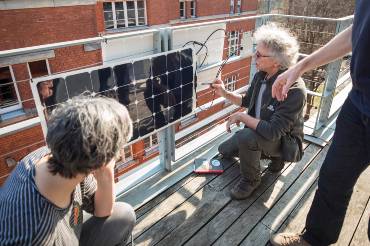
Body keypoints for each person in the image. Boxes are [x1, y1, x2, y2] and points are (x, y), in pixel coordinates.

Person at [270, 1, 370, 245]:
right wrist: (302, 65)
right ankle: (315, 239)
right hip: (359, 103)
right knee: (333, 177)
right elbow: (360, 27)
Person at [0, 95, 136, 246]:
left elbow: (102, 211)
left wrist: (106, 174)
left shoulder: (68, 156)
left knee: (124, 214)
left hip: (69, 234)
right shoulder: (34, 235)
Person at [211, 23, 307, 200]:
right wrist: (224, 92)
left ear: (276, 62)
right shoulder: (261, 75)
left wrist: (242, 117)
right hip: (260, 132)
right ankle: (272, 158)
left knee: (245, 138)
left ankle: (251, 180)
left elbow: (273, 132)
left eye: (259, 54)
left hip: (283, 141)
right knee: (223, 150)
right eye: (256, 51)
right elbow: (247, 101)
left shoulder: (294, 90)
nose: (254, 56)